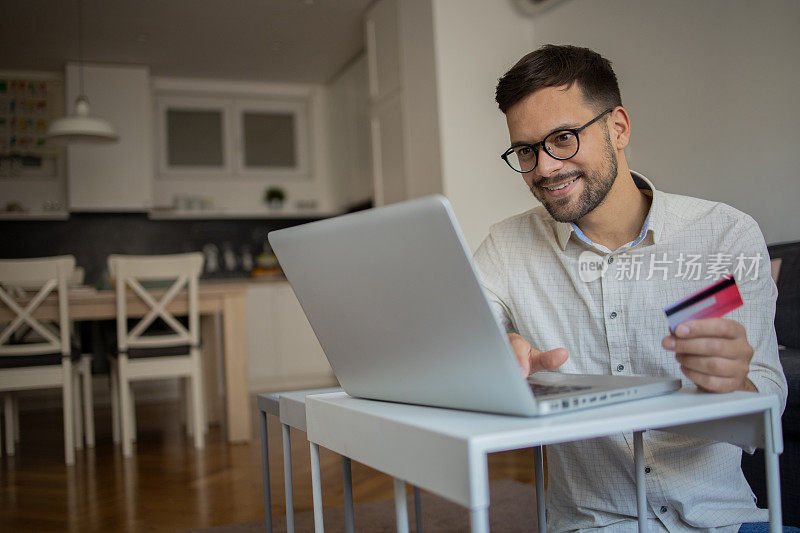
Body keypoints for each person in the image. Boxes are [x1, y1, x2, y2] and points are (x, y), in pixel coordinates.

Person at [474, 44, 788, 531]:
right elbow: (462, 352)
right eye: (526, 150)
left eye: (563, 138)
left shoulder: (725, 235)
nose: (545, 167)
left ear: (617, 128)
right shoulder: (505, 247)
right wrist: (494, 359)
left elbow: (768, 407)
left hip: (722, 521)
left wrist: (735, 386)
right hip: (591, 525)